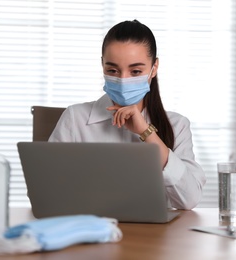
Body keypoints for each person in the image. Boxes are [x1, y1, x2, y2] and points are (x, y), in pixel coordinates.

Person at [49, 19, 206, 210]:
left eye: (136, 71)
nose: (123, 80)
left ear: (153, 68)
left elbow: (189, 200)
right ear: (102, 66)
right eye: (113, 70)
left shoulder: (177, 125)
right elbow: (47, 192)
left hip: (153, 237)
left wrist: (146, 132)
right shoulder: (75, 118)